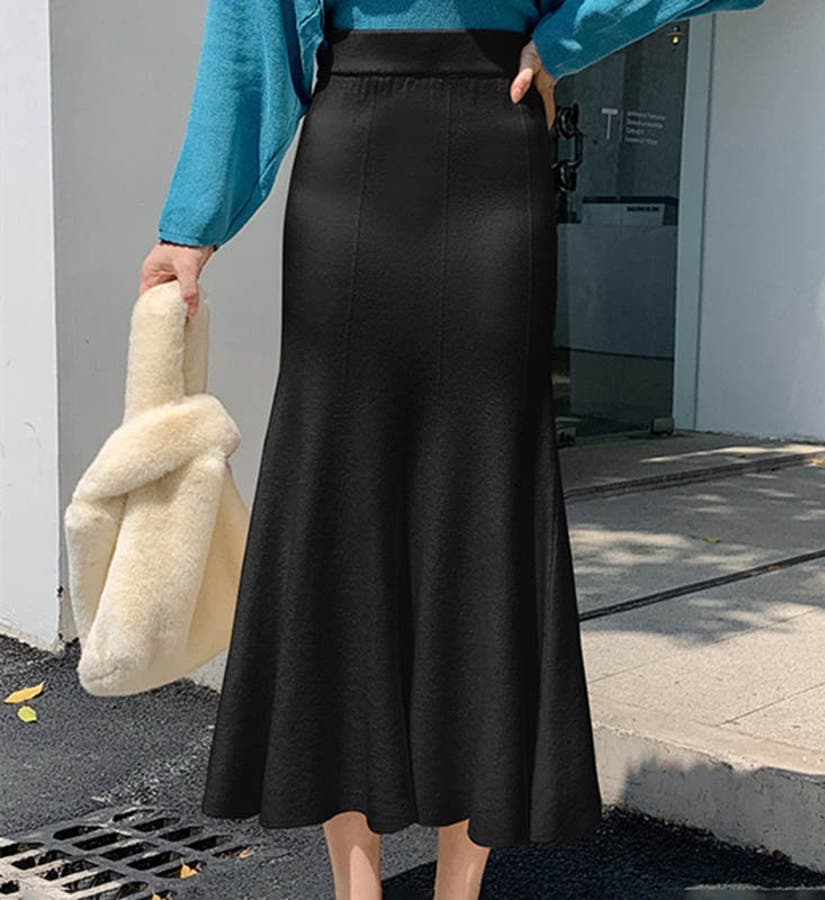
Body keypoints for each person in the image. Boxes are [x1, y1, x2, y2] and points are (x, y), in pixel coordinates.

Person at [140, 2, 766, 898]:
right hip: (375, 152)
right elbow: (254, 26)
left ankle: (456, 890)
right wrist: (192, 223)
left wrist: (568, 37)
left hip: (476, 149)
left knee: (482, 510)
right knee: (341, 513)